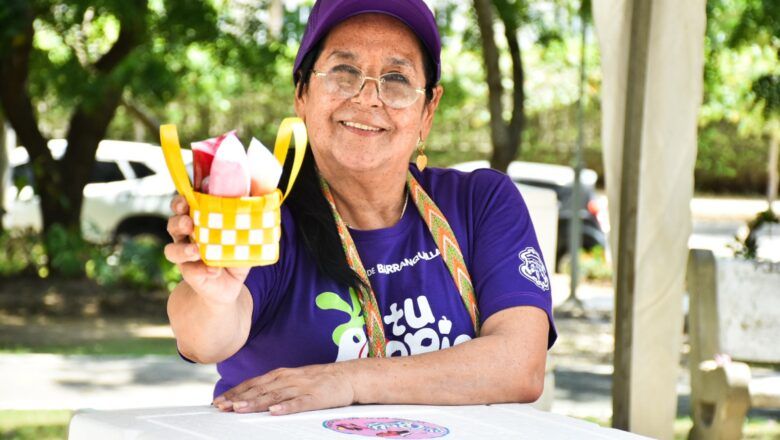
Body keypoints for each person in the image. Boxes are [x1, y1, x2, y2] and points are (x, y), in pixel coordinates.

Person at [164, 0, 557, 416]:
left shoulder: (480, 203)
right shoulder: (264, 210)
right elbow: (205, 341)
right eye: (343, 73)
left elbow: (520, 365)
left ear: (428, 110)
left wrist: (348, 380)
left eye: (396, 79)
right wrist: (212, 296)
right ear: (302, 93)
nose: (368, 98)